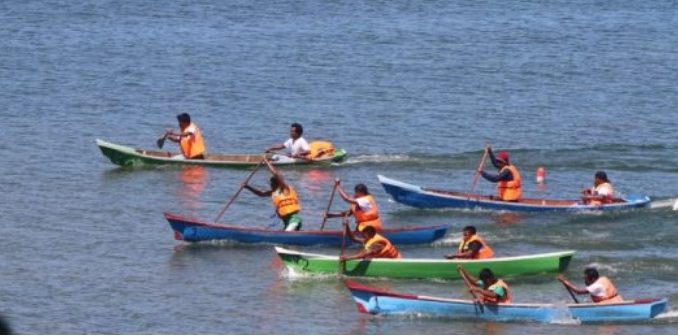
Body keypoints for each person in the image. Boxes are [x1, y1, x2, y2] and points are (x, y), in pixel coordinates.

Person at [242, 162, 302, 231]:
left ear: (278, 184)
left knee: (284, 237)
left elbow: (276, 174)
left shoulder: (285, 189)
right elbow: (261, 193)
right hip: (287, 223)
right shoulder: (274, 193)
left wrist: (267, 162)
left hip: (294, 220)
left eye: (272, 183)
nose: (270, 185)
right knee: (286, 235)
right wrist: (247, 187)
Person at [558, 268, 624, 304]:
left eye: (586, 279)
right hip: (618, 301)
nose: (585, 281)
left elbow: (578, 292)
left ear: (593, 279)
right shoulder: (603, 278)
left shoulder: (596, 286)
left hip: (610, 305)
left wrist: (565, 281)